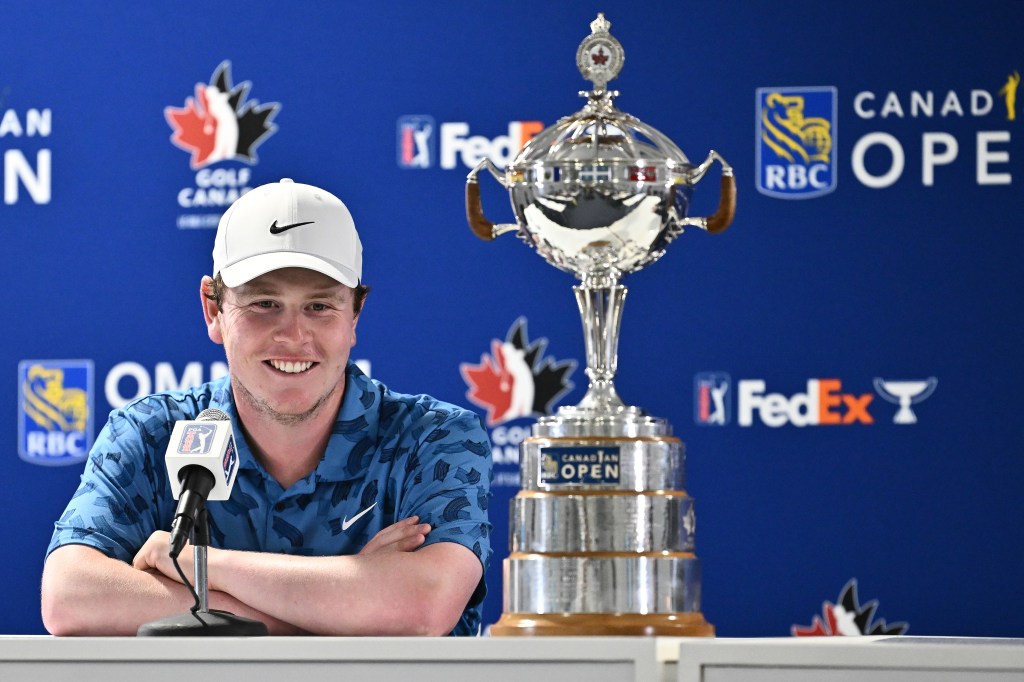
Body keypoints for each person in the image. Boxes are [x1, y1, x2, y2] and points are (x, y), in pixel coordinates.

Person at [40, 178, 492, 636]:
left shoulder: (434, 437)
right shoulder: (150, 432)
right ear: (213, 309)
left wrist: (200, 565)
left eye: (319, 306)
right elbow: (70, 598)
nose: (293, 336)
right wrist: (347, 605)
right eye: (264, 303)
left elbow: (423, 607)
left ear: (355, 314)